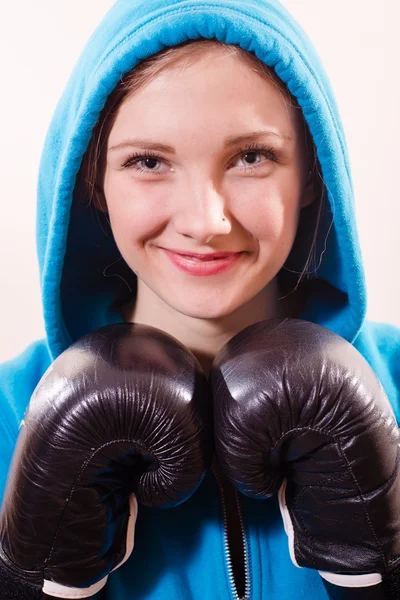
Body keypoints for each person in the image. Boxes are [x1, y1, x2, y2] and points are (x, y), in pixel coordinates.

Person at [0, 0, 399, 598]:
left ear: (314, 174)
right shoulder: (9, 411)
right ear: (95, 181)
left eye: (250, 157)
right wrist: (29, 583)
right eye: (149, 161)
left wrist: (378, 575)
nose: (205, 220)